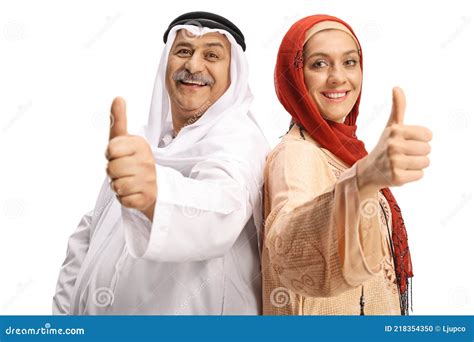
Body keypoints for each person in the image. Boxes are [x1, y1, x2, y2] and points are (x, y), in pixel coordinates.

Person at [53, 11, 269, 315]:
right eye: (183, 51)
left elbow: (223, 206)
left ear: (234, 73)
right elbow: (89, 235)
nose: (194, 65)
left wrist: (156, 196)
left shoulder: (240, 143)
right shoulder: (146, 144)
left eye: (212, 55)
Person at [262, 15, 432, 315]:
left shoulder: (342, 152)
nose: (338, 77)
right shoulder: (296, 153)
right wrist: (358, 183)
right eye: (319, 64)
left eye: (350, 62)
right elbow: (286, 249)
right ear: (295, 76)